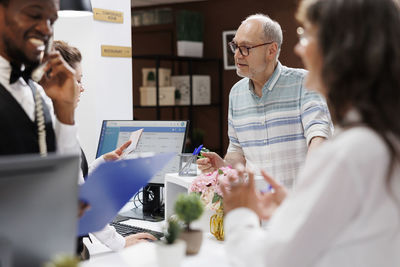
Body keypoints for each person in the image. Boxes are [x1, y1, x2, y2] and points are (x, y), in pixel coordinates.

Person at [222, 0, 400, 266]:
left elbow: (272, 260)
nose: (298, 48)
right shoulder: (380, 136)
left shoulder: (349, 152)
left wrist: (239, 215)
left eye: (308, 35)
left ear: (343, 50)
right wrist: (297, 207)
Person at [197, 14, 332, 188]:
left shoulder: (305, 83)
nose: (237, 55)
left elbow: (319, 138)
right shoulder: (236, 93)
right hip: (259, 208)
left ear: (271, 50)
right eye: (235, 46)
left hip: (299, 202)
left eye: (245, 47)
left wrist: (308, 188)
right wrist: (223, 167)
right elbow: (237, 152)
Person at [53, 40, 156, 253]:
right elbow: (80, 199)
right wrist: (119, 242)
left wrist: (101, 162)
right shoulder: (56, 129)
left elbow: (69, 182)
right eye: (78, 80)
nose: (83, 87)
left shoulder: (58, 123)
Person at [0, 0, 80, 156]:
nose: (46, 29)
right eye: (34, 15)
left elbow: (68, 177)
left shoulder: (38, 92)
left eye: (51, 21)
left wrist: (65, 111)